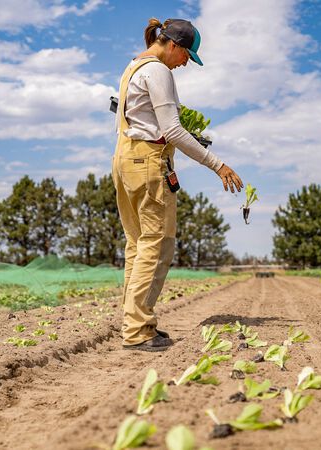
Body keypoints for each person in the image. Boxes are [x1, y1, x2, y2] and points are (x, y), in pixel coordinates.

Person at [112, 18, 243, 351]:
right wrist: (218, 164)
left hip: (126, 160)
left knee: (137, 246)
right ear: (174, 46)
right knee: (156, 247)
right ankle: (138, 330)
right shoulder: (158, 71)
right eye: (187, 56)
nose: (186, 64)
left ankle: (134, 322)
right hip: (149, 164)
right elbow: (171, 131)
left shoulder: (132, 66)